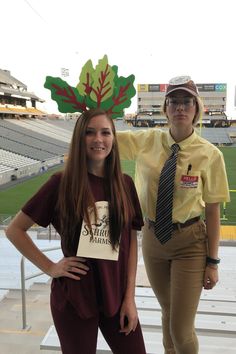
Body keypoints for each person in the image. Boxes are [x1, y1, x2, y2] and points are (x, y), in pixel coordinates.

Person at [5, 108, 147, 354]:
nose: (98, 139)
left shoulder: (125, 184)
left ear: (114, 138)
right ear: (80, 138)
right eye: (89, 133)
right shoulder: (61, 183)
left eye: (105, 132)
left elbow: (130, 242)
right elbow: (15, 229)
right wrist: (50, 267)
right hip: (74, 297)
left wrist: (130, 297)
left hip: (117, 295)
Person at [117, 76, 230, 354]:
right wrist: (90, 117)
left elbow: (213, 210)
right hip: (154, 239)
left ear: (196, 108)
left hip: (190, 242)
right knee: (167, 311)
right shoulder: (146, 141)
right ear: (165, 108)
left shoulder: (210, 154)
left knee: (180, 328)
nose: (181, 107)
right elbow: (103, 137)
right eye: (174, 102)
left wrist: (213, 262)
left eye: (187, 102)